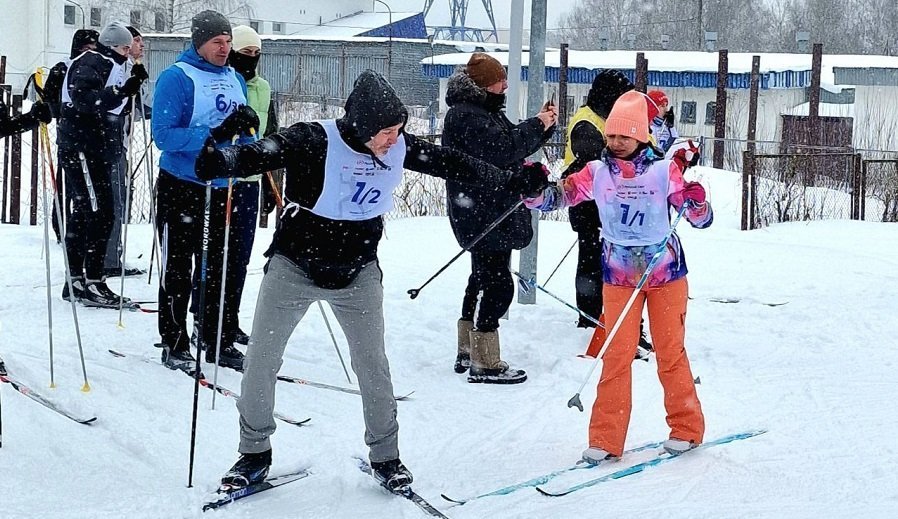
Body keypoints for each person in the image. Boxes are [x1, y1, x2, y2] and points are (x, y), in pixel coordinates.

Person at [192, 69, 549, 492]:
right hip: (294, 269)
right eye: (384, 132)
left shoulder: (398, 145)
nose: (392, 141)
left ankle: (386, 456)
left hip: (357, 273)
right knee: (261, 363)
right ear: (361, 126)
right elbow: (255, 155)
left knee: (373, 367)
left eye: (398, 131)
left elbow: (455, 164)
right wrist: (222, 147)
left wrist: (511, 180)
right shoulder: (313, 139)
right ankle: (253, 453)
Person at [524, 90, 709, 461]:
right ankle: (606, 440)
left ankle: (687, 428)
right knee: (615, 356)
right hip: (619, 276)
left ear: (641, 135)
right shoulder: (597, 171)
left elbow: (699, 219)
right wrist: (533, 191)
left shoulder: (662, 171)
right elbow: (559, 198)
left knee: (669, 353)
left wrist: (697, 200)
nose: (615, 143)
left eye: (624, 136)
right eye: (611, 136)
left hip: (665, 275)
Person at [151, 10, 258, 373]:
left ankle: (214, 339)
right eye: (217, 42)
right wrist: (211, 136)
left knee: (217, 268)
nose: (225, 49)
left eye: (228, 42)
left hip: (222, 187)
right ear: (200, 42)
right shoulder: (177, 77)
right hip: (182, 185)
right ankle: (174, 342)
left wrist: (248, 137)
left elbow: (240, 133)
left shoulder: (233, 78)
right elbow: (163, 136)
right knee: (179, 269)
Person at [442, 52, 557, 384]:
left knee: (481, 277)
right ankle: (485, 361)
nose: (505, 85)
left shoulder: (481, 112)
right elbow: (503, 149)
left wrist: (540, 128)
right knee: (497, 284)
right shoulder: (467, 117)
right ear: (482, 85)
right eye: (500, 80)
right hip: (484, 211)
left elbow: (509, 146)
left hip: (483, 209)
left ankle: (468, 348)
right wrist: (538, 125)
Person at [563, 70, 656, 360]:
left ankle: (618, 321)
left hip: (621, 208)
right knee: (592, 262)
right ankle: (591, 318)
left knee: (616, 266)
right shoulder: (586, 121)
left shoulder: (616, 121)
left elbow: (649, 153)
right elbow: (598, 159)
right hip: (589, 206)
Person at [196, 24, 278, 349]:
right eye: (246, 53)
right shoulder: (224, 82)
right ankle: (206, 322)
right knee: (217, 257)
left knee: (241, 257)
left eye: (257, 54)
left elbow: (271, 133)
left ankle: (229, 320)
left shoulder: (263, 88)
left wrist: (272, 184)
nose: (252, 60)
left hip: (251, 180)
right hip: (224, 179)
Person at [56, 21, 147, 308]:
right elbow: (86, 101)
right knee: (98, 211)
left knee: (91, 211)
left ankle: (79, 279)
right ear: (111, 46)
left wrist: (130, 88)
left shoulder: (111, 64)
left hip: (97, 148)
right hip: (81, 146)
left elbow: (112, 104)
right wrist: (122, 91)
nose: (126, 52)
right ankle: (90, 279)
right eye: (123, 47)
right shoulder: (92, 62)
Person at [101, 25, 150, 279]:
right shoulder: (112, 68)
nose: (139, 46)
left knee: (119, 199)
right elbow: (114, 103)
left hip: (119, 144)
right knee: (113, 201)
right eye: (135, 41)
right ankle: (107, 260)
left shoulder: (129, 69)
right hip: (109, 146)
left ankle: (110, 255)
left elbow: (138, 105)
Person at [45, 29, 99, 244]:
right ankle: (62, 227)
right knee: (66, 186)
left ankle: (83, 231)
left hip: (93, 137)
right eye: (87, 48)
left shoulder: (97, 68)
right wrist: (60, 112)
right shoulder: (63, 68)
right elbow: (50, 96)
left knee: (87, 191)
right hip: (69, 135)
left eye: (94, 49)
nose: (90, 53)